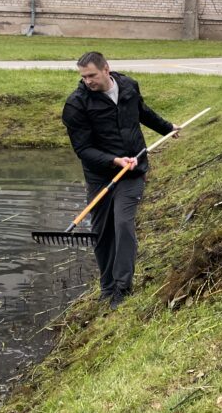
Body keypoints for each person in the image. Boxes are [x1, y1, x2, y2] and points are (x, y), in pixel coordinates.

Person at [62, 52, 177, 309]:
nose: (88, 81)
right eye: (83, 77)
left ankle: (122, 289)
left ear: (106, 69)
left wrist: (167, 128)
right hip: (100, 174)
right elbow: (83, 149)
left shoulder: (128, 86)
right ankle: (107, 286)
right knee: (102, 232)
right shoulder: (76, 105)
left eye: (92, 75)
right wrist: (114, 160)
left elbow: (142, 112)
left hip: (133, 170)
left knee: (123, 224)